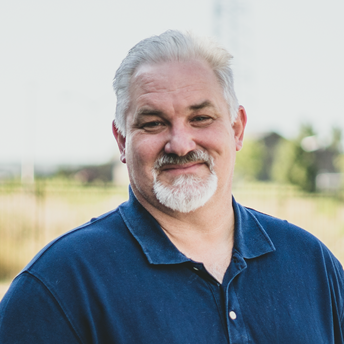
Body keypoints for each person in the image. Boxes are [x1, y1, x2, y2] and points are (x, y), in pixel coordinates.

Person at [0, 30, 343, 344]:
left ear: (237, 129)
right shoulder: (59, 286)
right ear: (122, 141)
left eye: (201, 118)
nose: (180, 144)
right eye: (153, 123)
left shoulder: (314, 265)